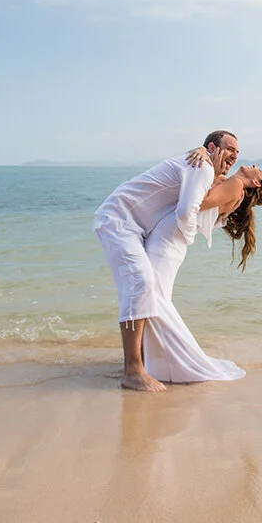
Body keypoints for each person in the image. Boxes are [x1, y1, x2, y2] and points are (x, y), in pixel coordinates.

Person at [93, 131, 241, 392]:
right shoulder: (202, 166)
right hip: (118, 220)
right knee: (141, 282)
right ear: (211, 148)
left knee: (142, 287)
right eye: (229, 149)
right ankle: (133, 371)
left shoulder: (204, 169)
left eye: (237, 153)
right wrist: (185, 236)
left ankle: (138, 362)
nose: (235, 156)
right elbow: (185, 213)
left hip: (132, 227)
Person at [139, 163, 262, 385]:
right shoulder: (232, 185)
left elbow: (195, 204)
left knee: (153, 299)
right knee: (153, 298)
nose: (256, 166)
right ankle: (154, 360)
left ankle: (168, 362)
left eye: (260, 170)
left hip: (168, 243)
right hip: (171, 243)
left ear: (256, 182)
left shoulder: (236, 185)